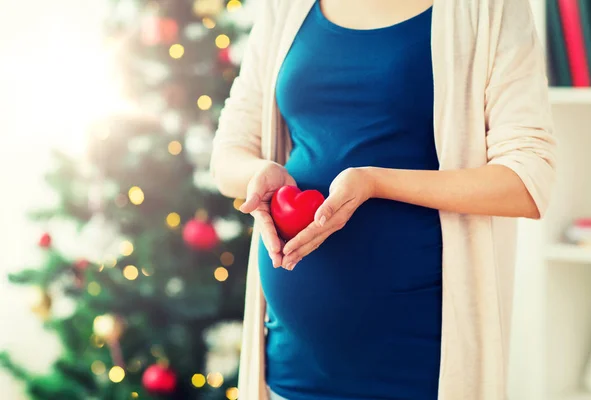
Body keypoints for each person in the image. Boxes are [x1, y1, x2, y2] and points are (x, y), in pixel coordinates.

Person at [210, 0, 557, 399]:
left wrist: (375, 182)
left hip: (418, 364)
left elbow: (527, 181)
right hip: (291, 365)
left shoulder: (488, 9)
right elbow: (227, 155)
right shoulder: (285, 8)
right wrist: (258, 176)